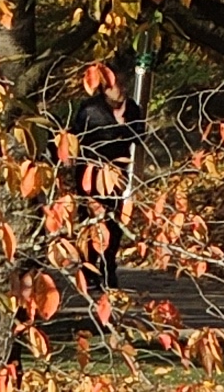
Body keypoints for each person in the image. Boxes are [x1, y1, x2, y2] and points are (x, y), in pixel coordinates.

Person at [66, 65, 145, 293]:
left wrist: (124, 125)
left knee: (114, 221)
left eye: (124, 85)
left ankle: (109, 266)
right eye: (117, 86)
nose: (122, 90)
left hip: (117, 174)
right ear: (105, 88)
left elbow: (139, 135)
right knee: (91, 220)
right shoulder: (90, 109)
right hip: (90, 172)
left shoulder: (132, 108)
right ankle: (89, 270)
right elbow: (79, 136)